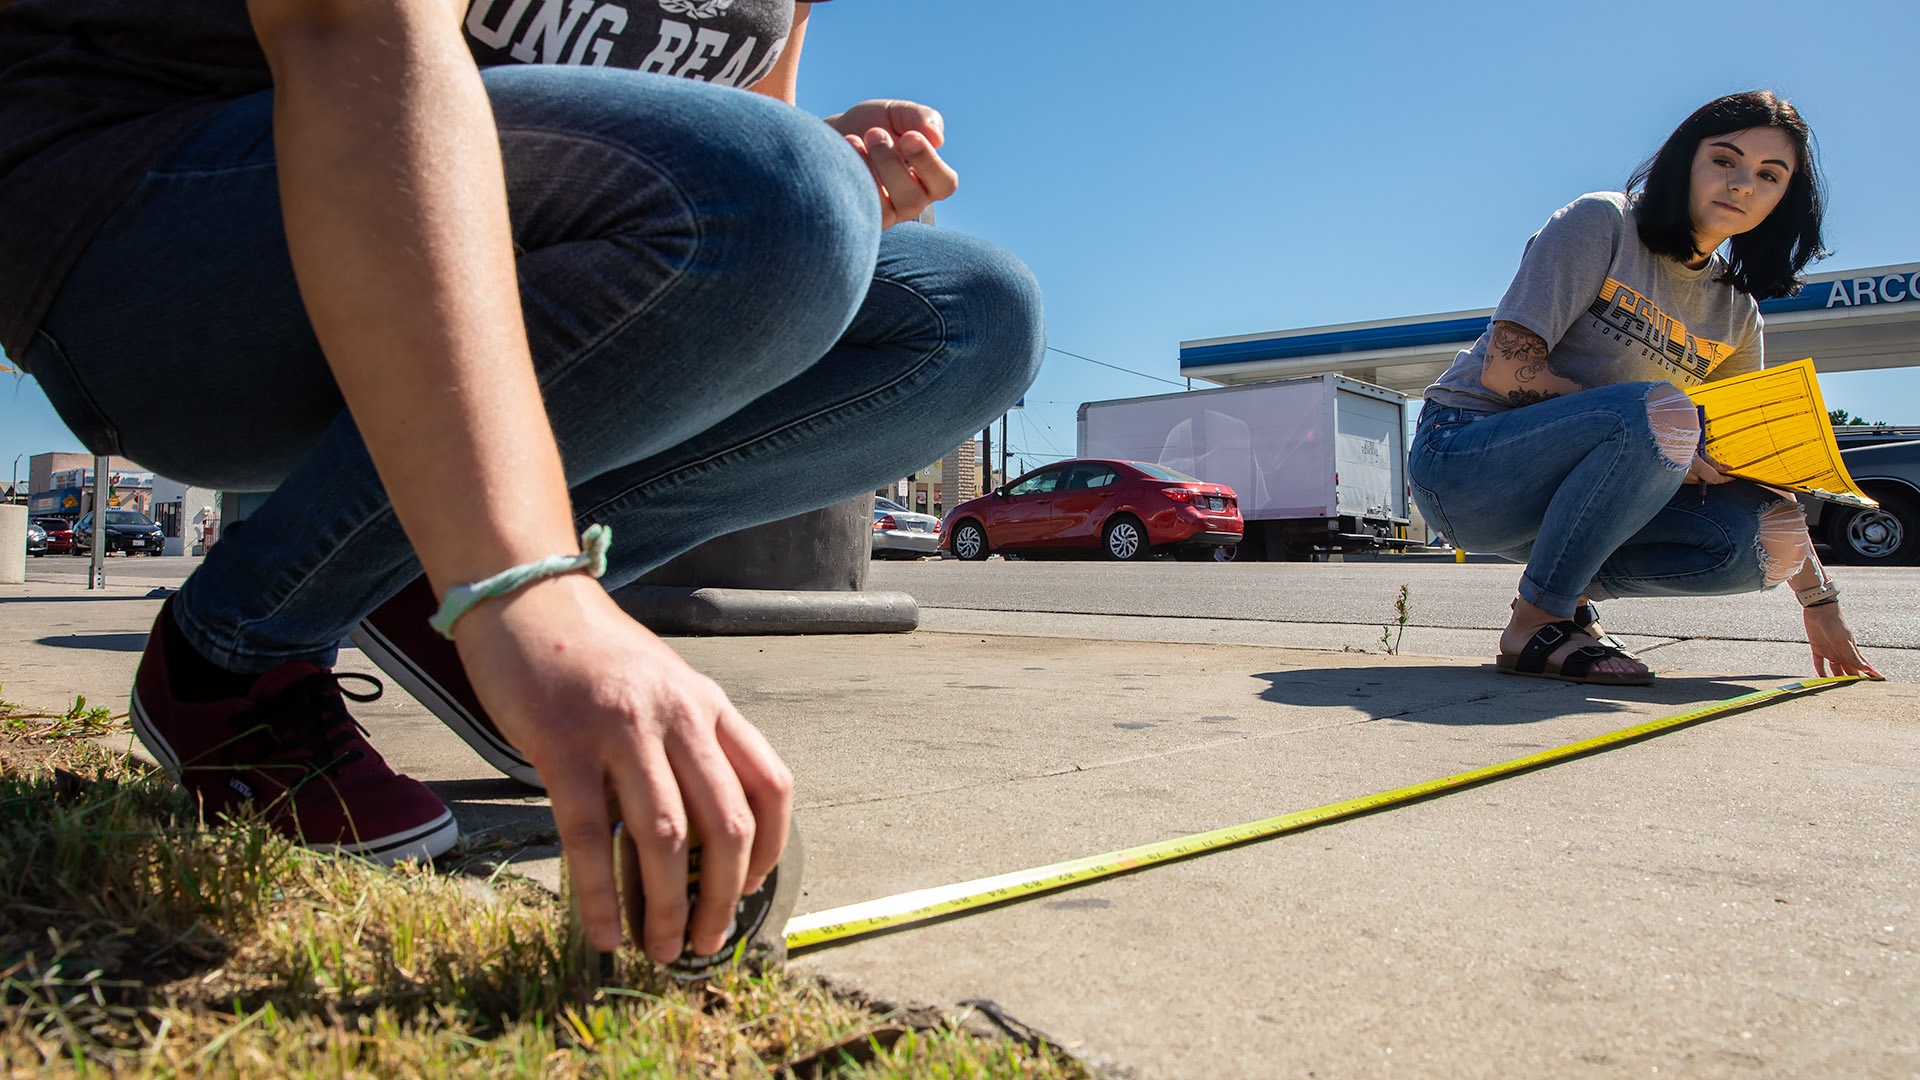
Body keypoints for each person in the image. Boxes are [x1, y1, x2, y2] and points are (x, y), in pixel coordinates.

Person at [0, 0, 1044, 969]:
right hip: (148, 229)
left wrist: (836, 165)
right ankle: (235, 656)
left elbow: (722, 145)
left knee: (972, 315)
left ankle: (421, 595)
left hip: (460, 232)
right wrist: (519, 575)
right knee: (781, 194)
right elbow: (347, 36)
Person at [1408, 91, 1879, 687]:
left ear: (1784, 200)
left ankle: (1565, 594)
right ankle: (1538, 621)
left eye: (1768, 175)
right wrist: (1668, 443)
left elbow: (1748, 456)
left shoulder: (1737, 313)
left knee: (1775, 534)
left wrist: (1819, 601)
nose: (1742, 185)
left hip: (1587, 497)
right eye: (1725, 160)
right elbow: (1508, 369)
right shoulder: (1603, 221)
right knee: (1663, 414)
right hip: (1466, 462)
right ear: (1685, 160)